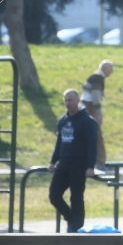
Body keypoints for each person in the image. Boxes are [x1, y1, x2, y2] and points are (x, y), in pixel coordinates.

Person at [47, 89, 99, 233]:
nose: (68, 103)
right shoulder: (63, 120)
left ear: (78, 101)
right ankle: (71, 219)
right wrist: (53, 161)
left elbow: (92, 146)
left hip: (79, 166)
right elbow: (59, 143)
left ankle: (77, 227)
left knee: (76, 198)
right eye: (66, 100)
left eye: (71, 100)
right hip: (64, 164)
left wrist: (90, 166)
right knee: (54, 195)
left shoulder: (87, 121)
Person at [81, 59, 113, 171]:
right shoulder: (97, 78)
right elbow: (95, 96)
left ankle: (89, 162)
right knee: (97, 136)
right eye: (111, 68)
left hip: (85, 107)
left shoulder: (94, 77)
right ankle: (100, 163)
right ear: (105, 68)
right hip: (90, 108)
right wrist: (98, 111)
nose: (112, 71)